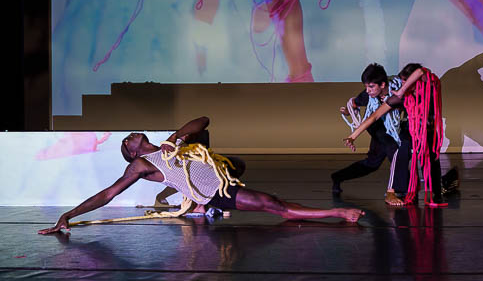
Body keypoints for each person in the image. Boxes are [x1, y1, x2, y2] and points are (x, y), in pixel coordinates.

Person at [39, 116, 364, 234]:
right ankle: (337, 212)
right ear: (133, 154)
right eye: (126, 143)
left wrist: (176, 137)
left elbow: (203, 120)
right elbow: (108, 194)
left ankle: (198, 205)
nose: (129, 136)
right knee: (273, 205)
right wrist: (68, 214)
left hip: (223, 176)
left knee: (236, 161)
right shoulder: (140, 165)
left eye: (129, 136)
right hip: (215, 192)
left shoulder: (168, 146)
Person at [343, 63, 452, 206]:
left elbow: (420, 71)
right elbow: (374, 116)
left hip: (428, 131)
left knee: (432, 160)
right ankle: (394, 191)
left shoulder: (429, 86)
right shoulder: (400, 98)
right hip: (410, 129)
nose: (403, 85)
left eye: (406, 82)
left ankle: (436, 192)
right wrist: (353, 136)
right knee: (401, 148)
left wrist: (402, 90)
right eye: (402, 82)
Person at [333, 63, 411, 206]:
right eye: (366, 86)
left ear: (382, 84)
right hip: (376, 127)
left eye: (371, 87)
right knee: (395, 150)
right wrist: (347, 112)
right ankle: (392, 192)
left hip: (393, 126)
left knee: (372, 163)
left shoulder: (398, 90)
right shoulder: (367, 95)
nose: (368, 90)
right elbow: (355, 105)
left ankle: (337, 177)